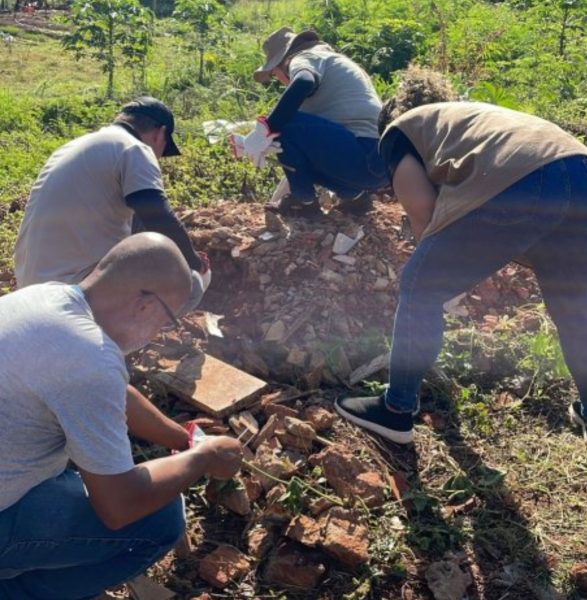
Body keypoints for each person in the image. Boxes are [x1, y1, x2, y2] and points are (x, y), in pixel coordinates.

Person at [335, 69, 587, 449]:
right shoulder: (470, 120)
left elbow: (422, 209)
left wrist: (434, 277)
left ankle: (396, 409)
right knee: (573, 304)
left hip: (527, 178)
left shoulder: (402, 130)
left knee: (418, 286)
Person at [0, 233, 243, 599]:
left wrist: (183, 440)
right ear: (144, 304)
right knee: (161, 519)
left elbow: (118, 397)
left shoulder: (46, 299)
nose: (160, 334)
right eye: (168, 322)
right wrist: (202, 458)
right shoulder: (90, 360)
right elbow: (119, 507)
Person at [14, 96, 210, 303]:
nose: (159, 157)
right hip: (72, 289)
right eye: (164, 149)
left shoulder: (77, 146)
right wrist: (194, 262)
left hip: (30, 286)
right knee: (192, 284)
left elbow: (139, 222)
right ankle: (126, 334)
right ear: (160, 133)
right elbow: (157, 215)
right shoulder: (134, 148)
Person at [231, 27, 388, 217]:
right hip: (376, 165)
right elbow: (306, 140)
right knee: (287, 134)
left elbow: (304, 81)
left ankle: (304, 202)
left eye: (274, 74)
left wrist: (267, 129)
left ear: (283, 62)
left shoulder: (305, 57)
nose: (279, 80)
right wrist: (262, 139)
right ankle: (354, 197)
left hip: (362, 152)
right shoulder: (331, 63)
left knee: (284, 124)